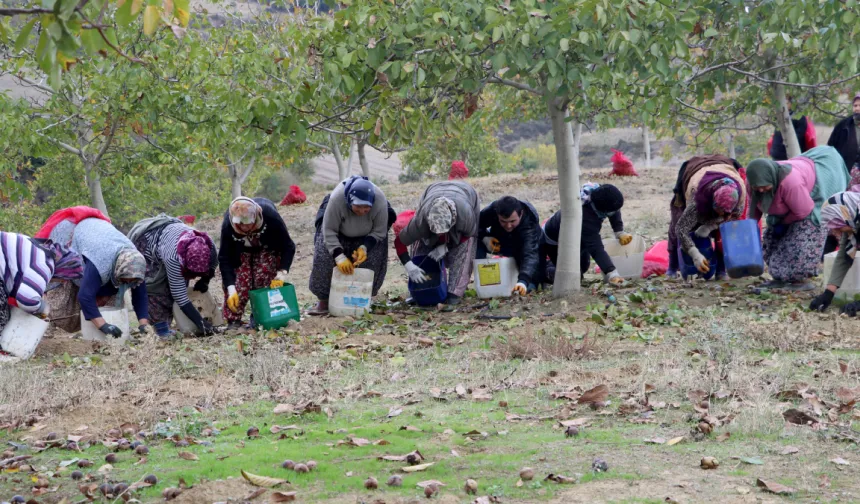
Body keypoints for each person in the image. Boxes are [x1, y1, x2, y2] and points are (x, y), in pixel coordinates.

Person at [748, 146, 849, 289]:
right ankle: (779, 277)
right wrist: (749, 230)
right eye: (757, 187)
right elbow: (754, 208)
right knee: (771, 240)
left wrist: (783, 223)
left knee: (800, 241)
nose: (761, 190)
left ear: (772, 178)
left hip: (809, 205)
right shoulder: (752, 182)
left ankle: (800, 280)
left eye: (765, 186)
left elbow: (803, 211)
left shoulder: (790, 182)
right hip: (785, 211)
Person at [40, 209, 150, 337]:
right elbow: (85, 296)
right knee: (59, 302)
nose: (128, 283)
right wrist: (103, 326)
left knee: (111, 303)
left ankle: (104, 336)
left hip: (100, 240)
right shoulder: (100, 262)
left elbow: (140, 295)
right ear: (118, 269)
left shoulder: (135, 264)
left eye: (131, 281)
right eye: (126, 280)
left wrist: (144, 325)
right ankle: (47, 324)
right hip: (73, 236)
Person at [308, 177, 392, 315]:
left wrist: (364, 248)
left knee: (373, 260)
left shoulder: (380, 201)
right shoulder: (337, 199)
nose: (362, 211)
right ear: (349, 201)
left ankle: (362, 299)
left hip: (367, 235)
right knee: (324, 259)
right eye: (358, 206)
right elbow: (328, 231)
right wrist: (339, 257)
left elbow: (379, 231)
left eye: (366, 207)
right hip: (338, 233)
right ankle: (324, 301)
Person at [128, 214, 218, 338]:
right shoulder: (173, 258)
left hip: (169, 237)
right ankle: (160, 328)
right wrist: (202, 324)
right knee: (156, 288)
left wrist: (205, 280)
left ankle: (169, 324)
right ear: (183, 262)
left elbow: (213, 264)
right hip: (148, 241)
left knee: (181, 283)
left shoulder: (208, 244)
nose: (193, 277)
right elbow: (179, 295)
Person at [0, 233, 83, 362]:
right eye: (66, 278)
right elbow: (27, 300)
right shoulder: (45, 265)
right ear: (64, 271)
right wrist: (43, 310)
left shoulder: (42, 253)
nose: (63, 281)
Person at [394, 181, 480, 305]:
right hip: (431, 192)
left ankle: (454, 292)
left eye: (442, 232)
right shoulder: (420, 221)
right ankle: (420, 290)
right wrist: (409, 266)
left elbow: (468, 235)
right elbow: (399, 242)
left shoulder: (465, 215)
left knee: (464, 250)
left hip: (466, 194)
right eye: (436, 232)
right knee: (420, 244)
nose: (439, 235)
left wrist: (446, 246)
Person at [219, 197, 296, 328]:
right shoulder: (228, 225)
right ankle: (234, 320)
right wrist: (231, 289)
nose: (245, 227)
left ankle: (260, 316)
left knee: (264, 278)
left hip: (267, 248)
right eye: (241, 224)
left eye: (248, 223)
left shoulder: (270, 217)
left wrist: (282, 272)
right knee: (240, 282)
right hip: (240, 251)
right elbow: (224, 257)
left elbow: (288, 246)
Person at [668, 155, 747, 278]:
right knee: (678, 219)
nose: (721, 214)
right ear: (713, 202)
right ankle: (672, 267)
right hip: (696, 171)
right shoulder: (697, 198)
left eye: (725, 212)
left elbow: (735, 217)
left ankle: (721, 269)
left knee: (725, 232)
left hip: (725, 166)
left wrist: (710, 226)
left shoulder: (740, 198)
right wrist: (695, 254)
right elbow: (681, 228)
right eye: (719, 210)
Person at [541, 183, 631, 285]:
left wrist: (619, 231)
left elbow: (614, 209)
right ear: (603, 210)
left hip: (578, 237)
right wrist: (611, 273)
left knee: (583, 266)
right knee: (571, 277)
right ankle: (543, 271)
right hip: (556, 241)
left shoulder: (600, 193)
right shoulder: (585, 216)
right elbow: (596, 248)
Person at [476, 196, 541, 294]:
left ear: (521, 214)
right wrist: (485, 238)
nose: (508, 226)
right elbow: (475, 225)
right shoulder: (492, 210)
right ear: (497, 214)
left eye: (512, 221)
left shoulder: (529, 223)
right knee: (475, 240)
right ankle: (483, 280)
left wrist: (523, 281)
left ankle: (529, 282)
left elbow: (530, 254)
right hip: (499, 242)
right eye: (503, 221)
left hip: (523, 247)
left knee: (532, 281)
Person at [810, 191, 860, 315]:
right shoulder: (852, 223)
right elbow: (843, 256)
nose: (835, 231)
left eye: (836, 225)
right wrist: (828, 293)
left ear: (846, 213)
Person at [826, 92, 860, 175]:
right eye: (855, 105)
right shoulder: (843, 126)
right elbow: (830, 148)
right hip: (844, 172)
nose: (857, 108)